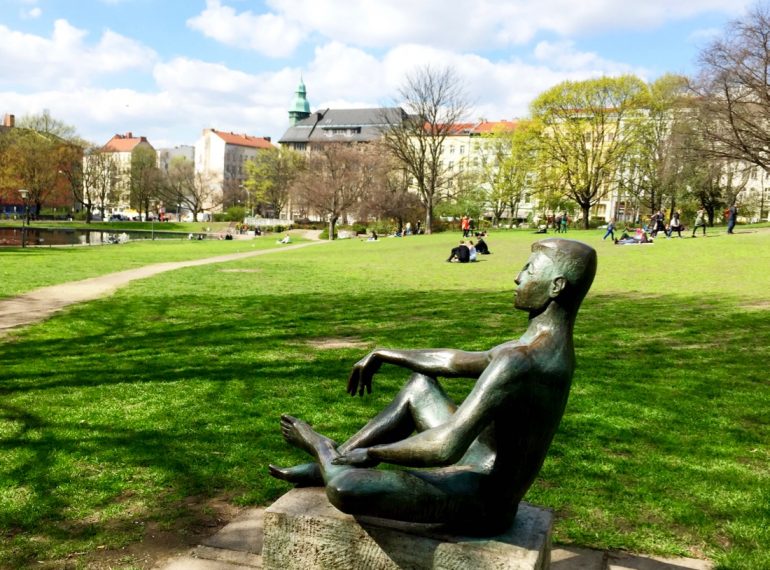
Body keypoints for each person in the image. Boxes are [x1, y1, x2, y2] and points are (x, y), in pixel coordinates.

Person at [269, 239, 598, 535]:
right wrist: (387, 353)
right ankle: (337, 459)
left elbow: (445, 447)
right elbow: (454, 360)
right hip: (480, 460)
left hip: (483, 502)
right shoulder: (541, 348)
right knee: (419, 387)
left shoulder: (524, 361)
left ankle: (325, 451)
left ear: (556, 286)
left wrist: (367, 453)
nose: (517, 277)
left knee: (344, 489)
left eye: (528, 271)